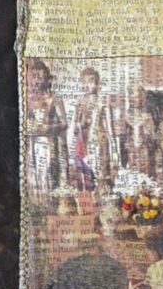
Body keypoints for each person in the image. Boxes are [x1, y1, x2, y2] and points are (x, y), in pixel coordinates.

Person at [24, 56, 70, 205]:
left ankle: (49, 203)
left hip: (48, 142)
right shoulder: (27, 99)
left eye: (40, 77)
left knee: (47, 171)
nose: (37, 81)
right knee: (33, 173)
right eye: (34, 76)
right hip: (32, 142)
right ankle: (35, 204)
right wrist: (28, 127)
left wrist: (49, 128)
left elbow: (64, 123)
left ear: (46, 79)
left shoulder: (54, 99)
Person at [70, 66, 120, 199]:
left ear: (97, 83)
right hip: (85, 143)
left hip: (100, 142)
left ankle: (103, 199)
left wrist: (115, 150)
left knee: (102, 174)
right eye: (84, 82)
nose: (87, 85)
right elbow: (75, 128)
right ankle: (90, 201)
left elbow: (110, 128)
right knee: (87, 175)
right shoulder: (80, 103)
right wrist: (81, 124)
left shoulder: (102, 102)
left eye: (91, 81)